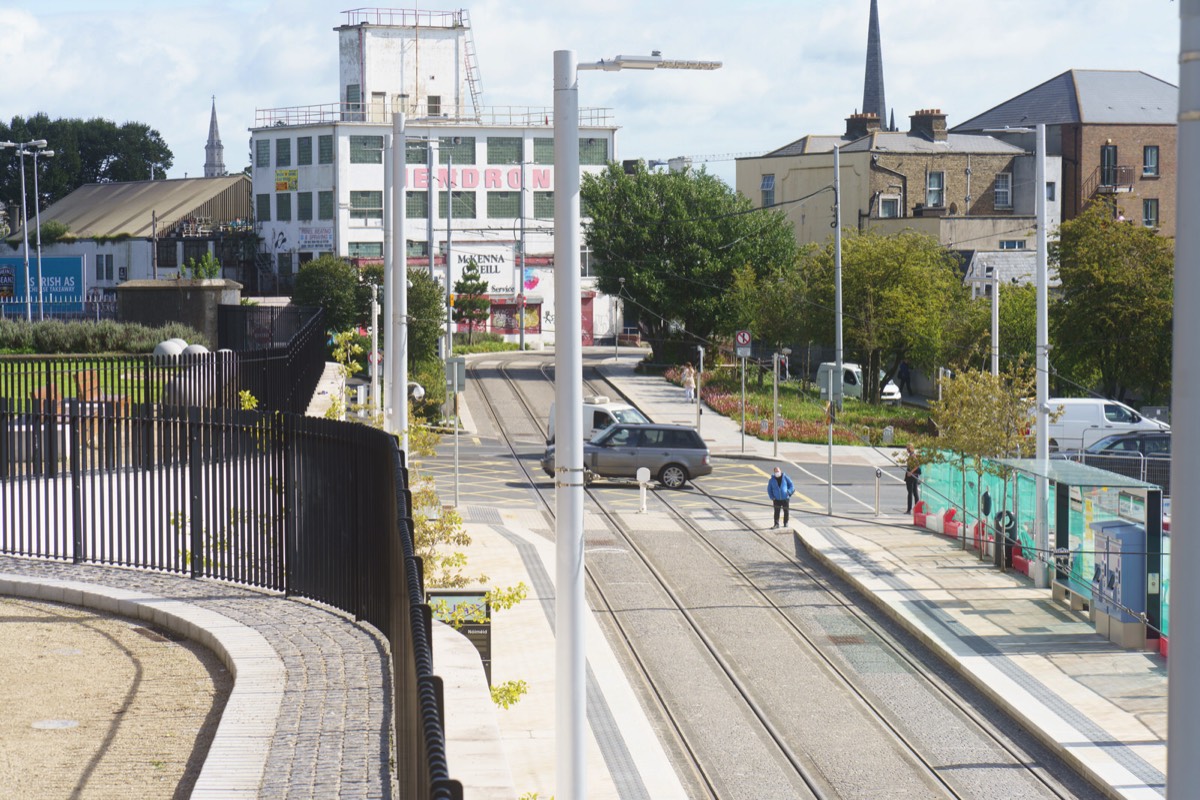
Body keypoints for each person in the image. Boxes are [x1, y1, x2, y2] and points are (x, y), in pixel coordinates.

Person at [904, 443, 922, 513]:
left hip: (911, 476)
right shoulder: (912, 455)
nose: (907, 450)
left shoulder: (913, 456)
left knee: (911, 492)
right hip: (914, 476)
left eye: (907, 448)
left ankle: (909, 509)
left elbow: (917, 465)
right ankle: (917, 509)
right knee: (914, 492)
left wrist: (911, 472)